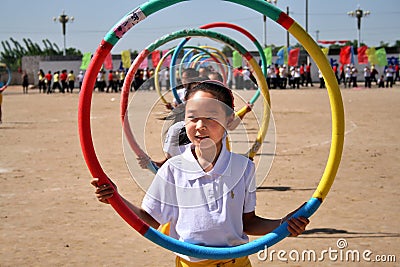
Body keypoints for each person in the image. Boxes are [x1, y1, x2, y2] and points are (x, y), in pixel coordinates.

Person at [92, 81, 310, 266]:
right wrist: (115, 198)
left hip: (238, 262)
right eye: (193, 117)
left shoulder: (243, 167)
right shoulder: (173, 169)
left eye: (211, 117)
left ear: (230, 121)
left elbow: (248, 222)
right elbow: (150, 219)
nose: (200, 126)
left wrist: (283, 224)